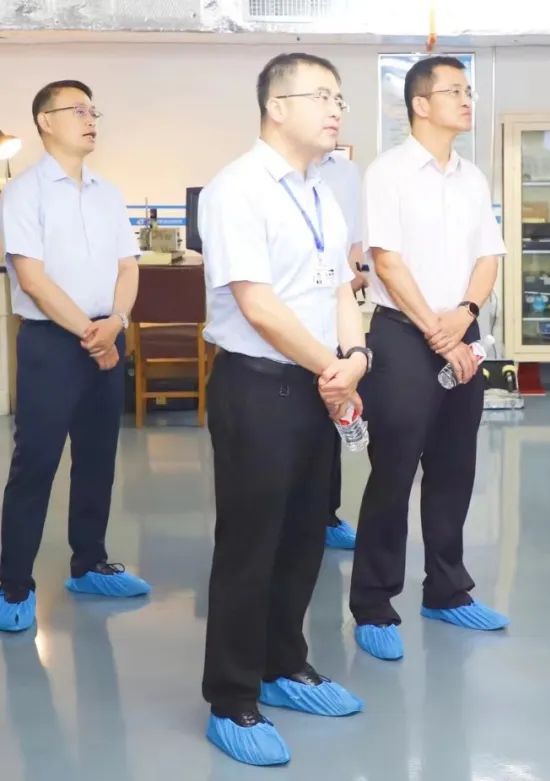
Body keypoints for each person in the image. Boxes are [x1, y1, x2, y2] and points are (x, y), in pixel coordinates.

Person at [198, 52, 368, 766]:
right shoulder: (237, 188)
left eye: (340, 98)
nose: (336, 110)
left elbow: (341, 287)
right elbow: (258, 305)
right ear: (276, 106)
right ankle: (232, 697)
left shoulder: (322, 191)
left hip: (319, 384)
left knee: (304, 536)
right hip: (259, 385)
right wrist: (333, 366)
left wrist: (355, 356)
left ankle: (283, 663)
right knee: (251, 544)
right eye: (322, 96)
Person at [349, 55, 508, 662]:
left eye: (469, 90)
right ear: (420, 104)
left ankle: (447, 590)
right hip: (401, 335)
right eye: (454, 90)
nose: (467, 99)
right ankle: (373, 603)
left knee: (454, 466)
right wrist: (439, 334)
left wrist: (465, 314)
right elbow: (386, 262)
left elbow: (488, 257)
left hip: (461, 330)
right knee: (393, 471)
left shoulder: (473, 178)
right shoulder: (386, 173)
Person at [0, 79, 150, 634]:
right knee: (36, 463)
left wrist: (116, 324)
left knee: (98, 458)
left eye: (93, 111)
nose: (91, 120)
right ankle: (12, 584)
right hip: (52, 343)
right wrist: (93, 333)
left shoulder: (108, 193)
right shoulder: (24, 193)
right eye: (78, 110)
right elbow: (33, 279)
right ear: (45, 121)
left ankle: (89, 564)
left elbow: (128, 267)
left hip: (107, 335)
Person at [314, 147, 368, 550]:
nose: (333, 117)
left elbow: (353, 244)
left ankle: (327, 516)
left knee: (332, 422)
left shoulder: (346, 173)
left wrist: (355, 275)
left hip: (335, 314)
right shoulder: (251, 181)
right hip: (286, 328)